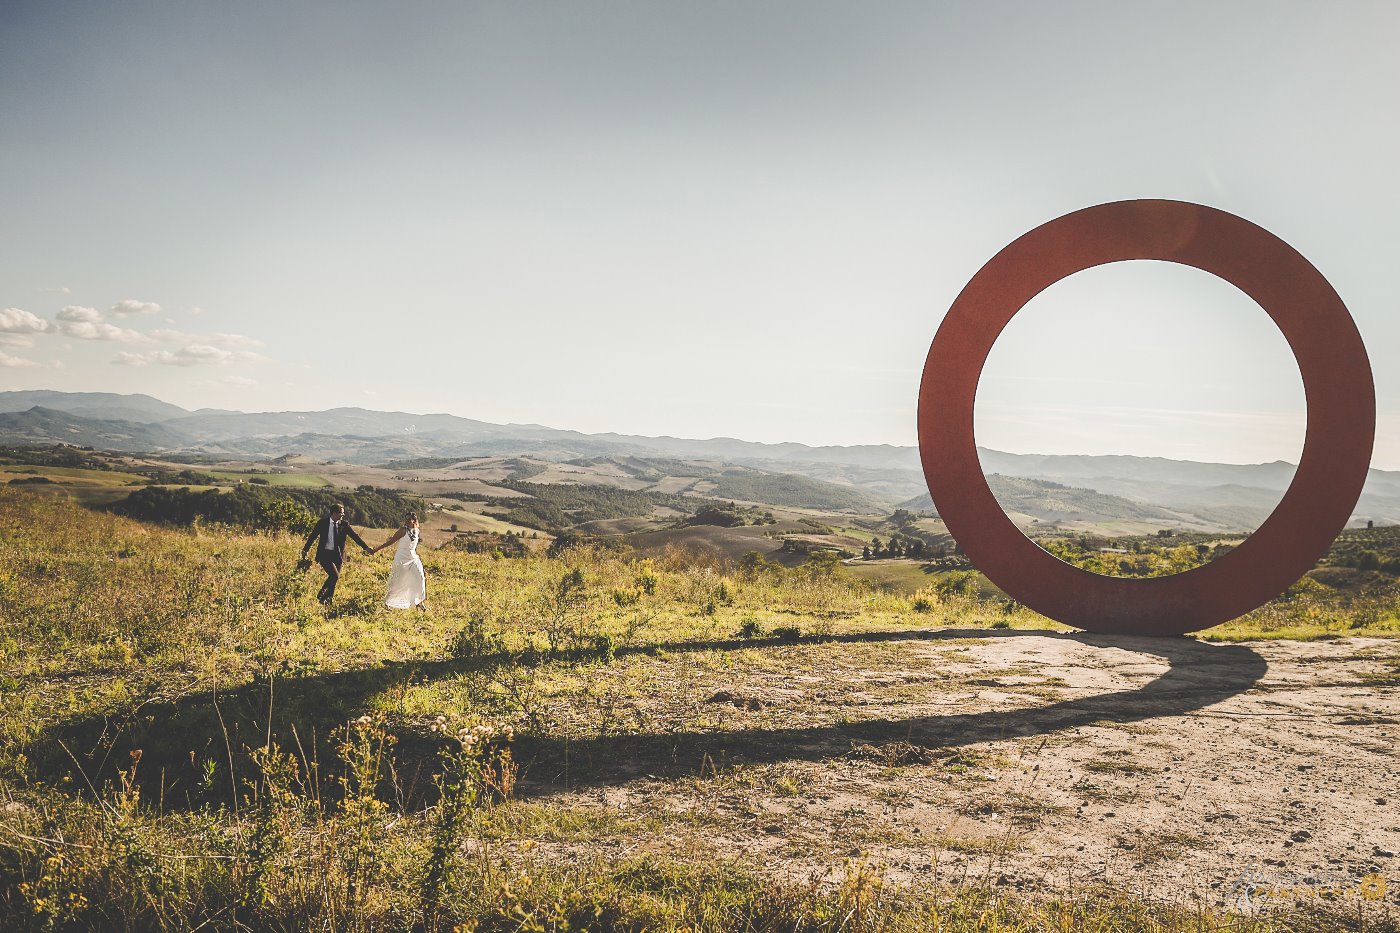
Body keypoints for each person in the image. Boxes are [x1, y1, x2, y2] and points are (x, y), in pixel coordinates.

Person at [301, 503, 373, 605]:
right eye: (341, 513)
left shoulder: (344, 525)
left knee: (334, 578)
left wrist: (366, 547)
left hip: (338, 555)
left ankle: (327, 600)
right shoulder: (322, 523)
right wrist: (305, 549)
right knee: (334, 576)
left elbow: (355, 536)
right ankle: (322, 595)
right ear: (334, 513)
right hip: (324, 554)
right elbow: (312, 536)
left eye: (343, 513)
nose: (343, 515)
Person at [373, 512, 428, 611]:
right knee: (397, 580)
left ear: (414, 520)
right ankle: (387, 602)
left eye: (409, 519)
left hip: (413, 557)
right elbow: (391, 541)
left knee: (420, 577)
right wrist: (376, 549)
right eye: (405, 519)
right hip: (401, 557)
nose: (406, 521)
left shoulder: (417, 530)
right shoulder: (403, 531)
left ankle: (419, 602)